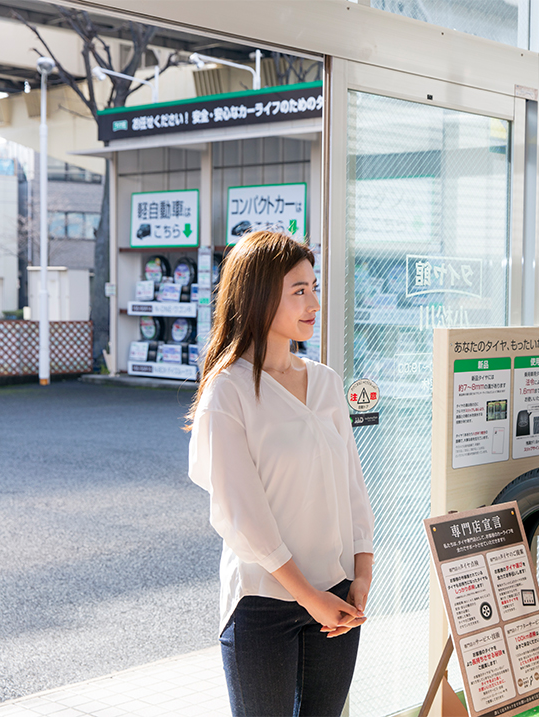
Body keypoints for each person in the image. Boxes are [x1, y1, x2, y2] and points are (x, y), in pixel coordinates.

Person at [186, 230, 375, 717]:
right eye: (299, 291)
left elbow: (351, 485)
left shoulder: (327, 382)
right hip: (263, 602)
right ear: (258, 295)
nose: (314, 302)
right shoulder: (226, 393)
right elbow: (241, 515)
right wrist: (307, 596)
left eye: (314, 288)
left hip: (335, 594)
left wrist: (362, 572)